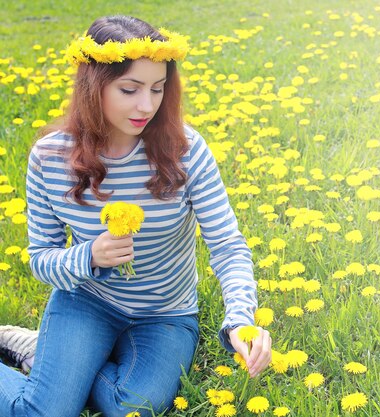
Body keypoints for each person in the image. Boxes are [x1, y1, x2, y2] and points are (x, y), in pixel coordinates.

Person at [0, 15, 271, 417]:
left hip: (165, 314)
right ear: (94, 87)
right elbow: (41, 259)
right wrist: (88, 256)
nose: (147, 105)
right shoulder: (49, 158)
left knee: (132, 408)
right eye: (130, 89)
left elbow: (228, 245)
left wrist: (239, 320)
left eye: (157, 89)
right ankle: (53, 366)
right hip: (86, 302)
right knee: (43, 412)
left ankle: (46, 356)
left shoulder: (186, 149)